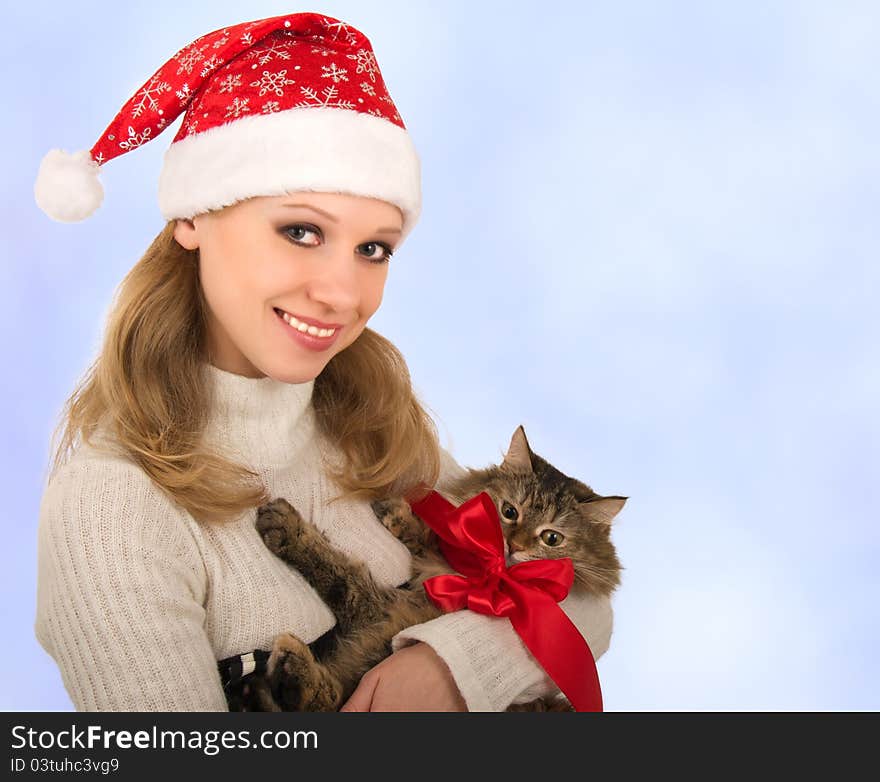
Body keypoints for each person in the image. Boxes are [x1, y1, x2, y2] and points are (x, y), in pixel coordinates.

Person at [33, 11, 614, 712]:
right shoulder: (112, 504)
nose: (342, 294)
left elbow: (585, 601)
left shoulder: (376, 428)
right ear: (192, 216)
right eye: (301, 230)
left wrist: (450, 668)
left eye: (374, 248)